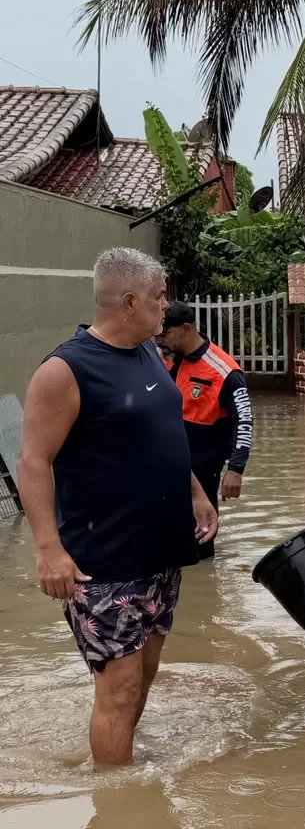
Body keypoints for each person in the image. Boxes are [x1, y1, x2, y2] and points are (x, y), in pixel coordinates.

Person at [16, 247, 218, 766]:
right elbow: (33, 461)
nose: (166, 305)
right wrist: (48, 550)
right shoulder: (66, 370)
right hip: (104, 559)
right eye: (158, 296)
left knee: (144, 674)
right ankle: (114, 805)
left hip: (159, 550)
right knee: (120, 688)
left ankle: (122, 769)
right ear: (129, 302)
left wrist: (196, 493)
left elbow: (163, 432)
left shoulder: (150, 353)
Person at [158, 300, 254, 559]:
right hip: (166, 467)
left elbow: (244, 420)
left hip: (202, 472)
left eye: (165, 333)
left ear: (186, 328)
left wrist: (235, 469)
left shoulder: (225, 371)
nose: (159, 340)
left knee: (198, 547)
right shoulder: (165, 360)